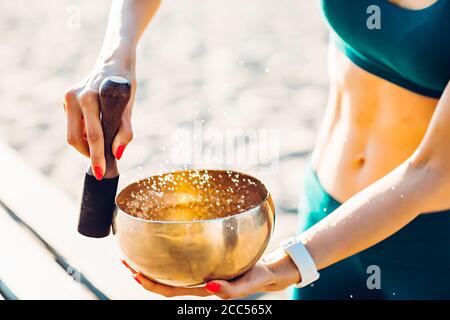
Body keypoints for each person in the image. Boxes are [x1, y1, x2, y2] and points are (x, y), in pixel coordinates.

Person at [63, 0, 450, 299]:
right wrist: (117, 55)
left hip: (427, 247)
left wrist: (286, 264)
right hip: (324, 212)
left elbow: (433, 171)